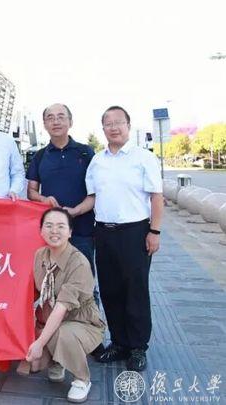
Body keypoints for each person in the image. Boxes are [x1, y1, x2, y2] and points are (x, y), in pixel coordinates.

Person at [85, 106, 163, 371]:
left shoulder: (143, 158)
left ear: (128, 125)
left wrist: (154, 231)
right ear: (103, 128)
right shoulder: (97, 161)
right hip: (104, 232)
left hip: (135, 232)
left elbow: (157, 197)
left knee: (135, 289)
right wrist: (69, 212)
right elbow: (92, 197)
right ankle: (119, 342)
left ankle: (138, 347)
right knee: (110, 289)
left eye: (119, 122)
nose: (114, 127)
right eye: (108, 123)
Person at [17, 207, 105, 403]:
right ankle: (58, 360)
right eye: (48, 226)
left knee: (63, 334)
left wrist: (39, 343)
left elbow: (61, 309)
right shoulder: (40, 255)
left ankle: (82, 379)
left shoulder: (78, 263)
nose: (54, 231)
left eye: (60, 226)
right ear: (41, 231)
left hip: (80, 322)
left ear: (70, 232)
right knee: (34, 366)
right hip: (48, 319)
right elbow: (33, 291)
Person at [27, 103, 99, 305]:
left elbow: (96, 193)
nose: (56, 121)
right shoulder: (40, 156)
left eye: (61, 116)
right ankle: (55, 324)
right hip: (51, 233)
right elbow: (31, 191)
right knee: (52, 284)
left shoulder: (85, 153)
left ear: (70, 121)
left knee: (85, 284)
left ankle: (90, 325)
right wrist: (43, 199)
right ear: (44, 124)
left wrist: (75, 211)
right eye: (50, 118)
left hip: (82, 231)